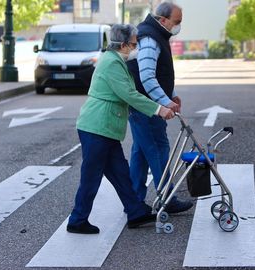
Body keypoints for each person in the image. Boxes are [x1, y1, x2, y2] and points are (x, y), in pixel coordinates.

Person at [67, 24, 175, 234]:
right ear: (124, 44)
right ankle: (77, 220)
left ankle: (135, 212)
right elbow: (128, 94)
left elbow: (129, 92)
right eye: (134, 44)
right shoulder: (111, 63)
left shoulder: (117, 60)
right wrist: (159, 109)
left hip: (105, 128)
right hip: (96, 126)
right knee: (91, 175)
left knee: (120, 173)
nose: (136, 47)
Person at [126, 2, 193, 213]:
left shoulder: (155, 35)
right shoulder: (150, 39)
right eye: (177, 22)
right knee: (158, 149)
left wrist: (171, 95)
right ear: (162, 20)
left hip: (144, 105)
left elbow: (158, 73)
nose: (178, 26)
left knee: (141, 153)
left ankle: (134, 202)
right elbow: (146, 76)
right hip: (147, 108)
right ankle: (167, 197)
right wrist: (164, 102)